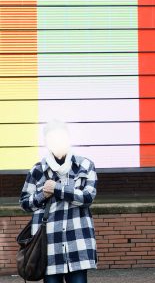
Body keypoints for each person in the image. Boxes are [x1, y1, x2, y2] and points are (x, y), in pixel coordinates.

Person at [19, 120, 98, 283]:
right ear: (47, 143)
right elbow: (25, 204)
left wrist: (57, 188)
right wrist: (43, 195)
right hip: (48, 247)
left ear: (68, 138)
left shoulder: (84, 165)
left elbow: (88, 198)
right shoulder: (37, 170)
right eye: (52, 139)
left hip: (77, 242)